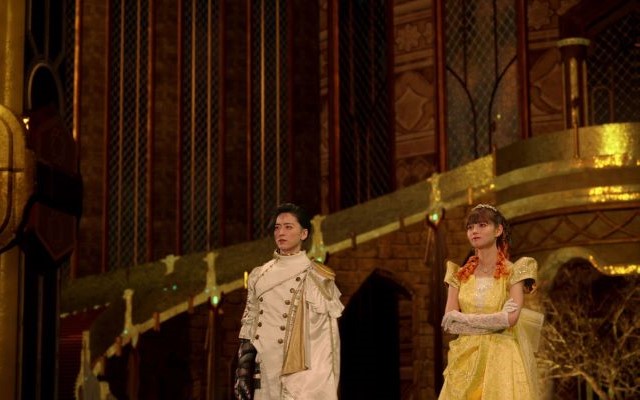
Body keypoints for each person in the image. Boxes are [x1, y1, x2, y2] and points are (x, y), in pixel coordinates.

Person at [234, 203, 344, 400]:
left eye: (288, 227)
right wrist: (242, 372)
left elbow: (325, 340)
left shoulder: (316, 277)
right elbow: (250, 324)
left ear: (303, 234)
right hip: (264, 370)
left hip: (298, 375)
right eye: (277, 227)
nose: (281, 233)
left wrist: (317, 383)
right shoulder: (259, 275)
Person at [439, 203, 540, 400]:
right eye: (470, 227)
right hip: (466, 359)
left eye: (482, 225)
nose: (474, 231)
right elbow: (449, 323)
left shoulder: (514, 271)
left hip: (501, 358)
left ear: (498, 230)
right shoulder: (458, 276)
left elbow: (511, 319)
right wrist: (498, 318)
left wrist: (462, 318)